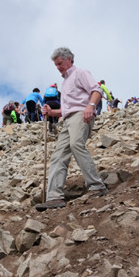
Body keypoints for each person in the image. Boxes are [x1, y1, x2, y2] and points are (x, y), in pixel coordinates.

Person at [35, 47, 108, 211]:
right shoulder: (64, 83)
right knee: (58, 155)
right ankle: (54, 197)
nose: (58, 67)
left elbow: (96, 90)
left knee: (76, 144)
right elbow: (66, 109)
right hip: (68, 120)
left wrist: (90, 106)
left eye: (60, 63)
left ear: (69, 59)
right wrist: (51, 111)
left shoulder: (80, 72)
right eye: (56, 65)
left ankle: (97, 186)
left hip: (82, 115)